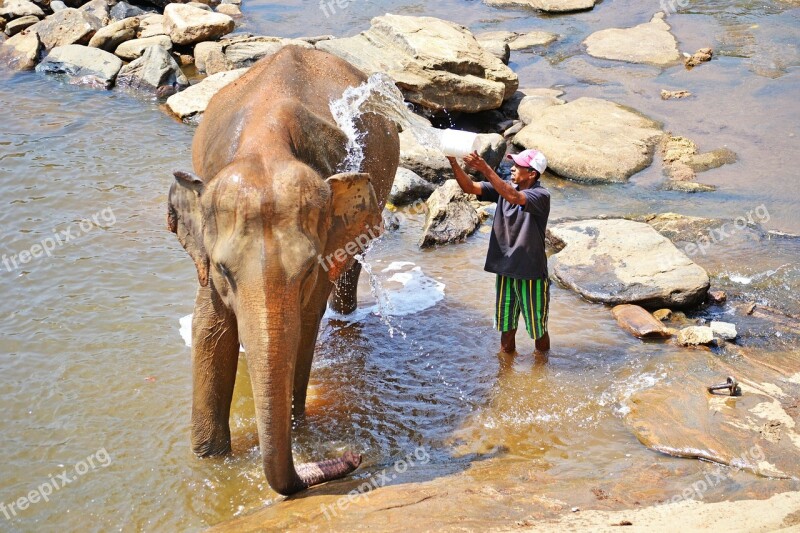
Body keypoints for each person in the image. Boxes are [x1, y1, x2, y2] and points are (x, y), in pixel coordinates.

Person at [447, 148, 551, 355]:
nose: (512, 168)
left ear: (532, 173)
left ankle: (542, 368)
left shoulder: (540, 195)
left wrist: (485, 168)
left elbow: (513, 197)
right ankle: (505, 372)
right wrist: (453, 161)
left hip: (530, 272)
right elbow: (469, 187)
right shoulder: (504, 189)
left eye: (518, 166)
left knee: (537, 329)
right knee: (506, 326)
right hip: (505, 269)